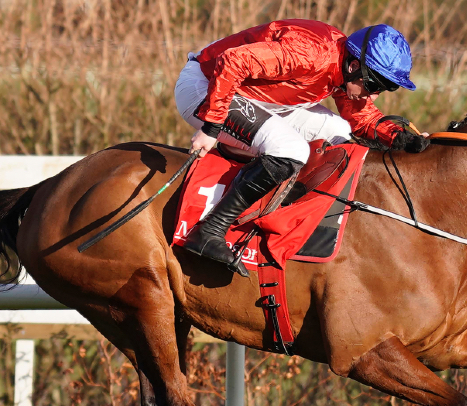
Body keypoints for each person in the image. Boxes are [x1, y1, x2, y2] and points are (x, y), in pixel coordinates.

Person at [173, 19, 429, 276]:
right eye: (373, 86)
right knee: (292, 150)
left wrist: (400, 139)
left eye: (384, 89)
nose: (373, 96)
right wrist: (212, 126)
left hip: (257, 97)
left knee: (341, 133)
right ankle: (211, 230)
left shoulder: (344, 64)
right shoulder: (311, 53)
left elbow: (360, 118)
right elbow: (232, 61)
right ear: (353, 65)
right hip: (208, 87)